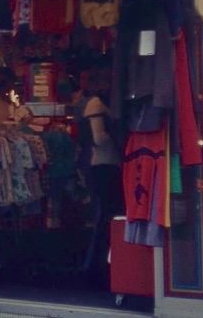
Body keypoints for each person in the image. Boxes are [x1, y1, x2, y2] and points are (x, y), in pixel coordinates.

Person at [71, 66, 123, 287]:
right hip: (102, 162)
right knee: (104, 214)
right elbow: (99, 137)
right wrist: (120, 141)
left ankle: (96, 264)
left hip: (99, 162)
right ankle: (95, 265)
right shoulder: (95, 103)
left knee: (103, 213)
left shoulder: (88, 102)